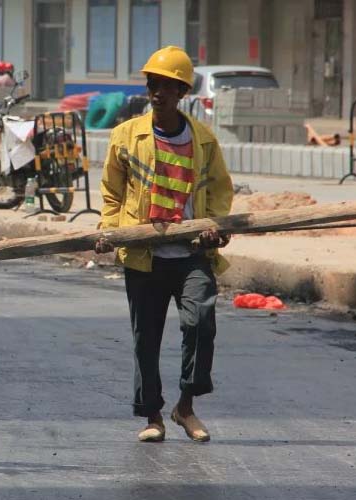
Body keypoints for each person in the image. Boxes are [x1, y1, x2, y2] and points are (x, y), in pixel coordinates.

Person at [95, 46, 233, 444]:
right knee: (146, 338)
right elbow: (112, 192)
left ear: (182, 92)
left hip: (192, 254)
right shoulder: (126, 136)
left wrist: (214, 225)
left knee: (201, 322)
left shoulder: (204, 141)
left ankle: (185, 407)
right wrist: (109, 230)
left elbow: (220, 191)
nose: (158, 92)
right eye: (153, 84)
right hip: (145, 255)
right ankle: (153, 415)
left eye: (167, 86)